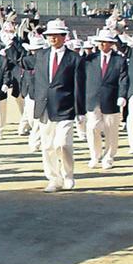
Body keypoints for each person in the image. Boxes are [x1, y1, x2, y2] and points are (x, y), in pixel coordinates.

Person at [19, 19, 84, 192]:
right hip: (44, 106)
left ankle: (68, 174)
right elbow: (20, 61)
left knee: (63, 144)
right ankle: (54, 179)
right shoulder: (41, 55)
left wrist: (80, 110)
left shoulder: (74, 58)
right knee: (47, 146)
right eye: (50, 36)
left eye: (56, 35)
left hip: (65, 107)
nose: (53, 38)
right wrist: (16, 39)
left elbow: (79, 85)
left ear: (64, 37)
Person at [82, 29, 129, 170]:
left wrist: (122, 95)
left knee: (111, 130)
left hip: (111, 99)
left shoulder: (119, 60)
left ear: (111, 44)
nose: (103, 44)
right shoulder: (90, 59)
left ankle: (109, 156)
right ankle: (95, 155)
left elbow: (123, 79)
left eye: (106, 42)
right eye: (101, 42)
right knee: (92, 128)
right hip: (92, 98)